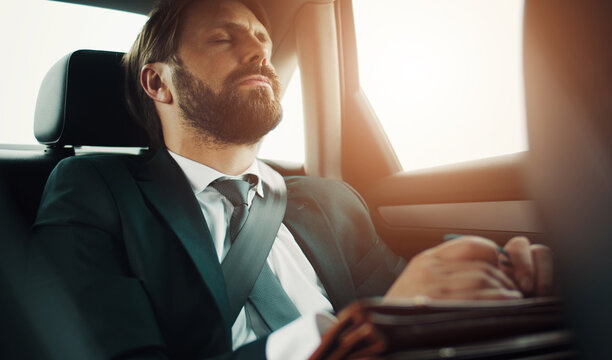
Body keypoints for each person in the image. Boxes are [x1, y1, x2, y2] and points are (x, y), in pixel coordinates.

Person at [31, 0, 553, 359]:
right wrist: (349, 335)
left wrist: (495, 272)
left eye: (262, 39)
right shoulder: (93, 189)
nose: (259, 51)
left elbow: (407, 289)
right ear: (157, 81)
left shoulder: (331, 200)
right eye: (223, 38)